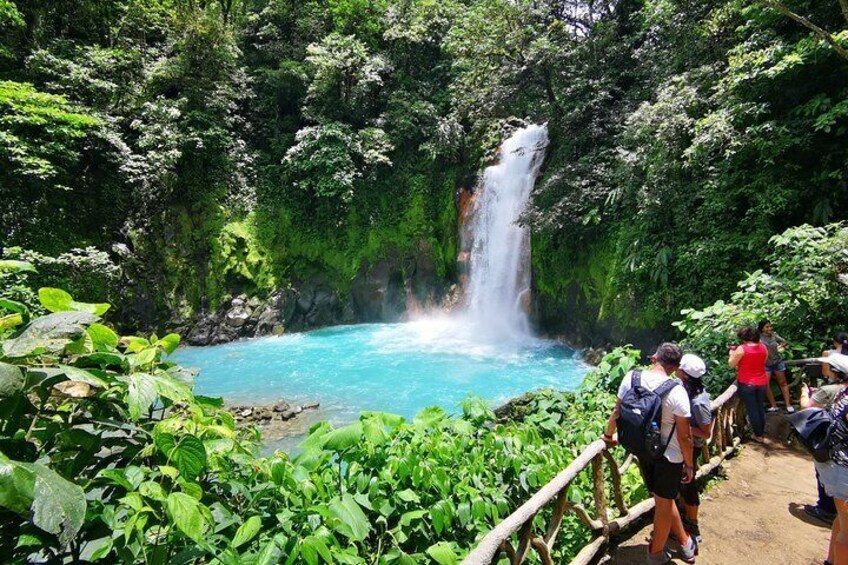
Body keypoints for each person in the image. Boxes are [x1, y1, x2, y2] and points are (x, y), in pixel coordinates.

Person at [603, 343, 697, 564]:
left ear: (655, 358)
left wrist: (608, 436)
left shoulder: (632, 377)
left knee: (662, 499)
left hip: (643, 450)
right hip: (669, 456)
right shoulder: (677, 391)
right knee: (664, 503)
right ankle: (655, 555)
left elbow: (617, 412)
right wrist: (690, 464)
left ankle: (684, 542)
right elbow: (685, 436)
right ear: (676, 367)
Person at [800, 353, 848, 526]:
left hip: (835, 453)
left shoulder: (834, 392)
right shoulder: (841, 392)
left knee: (827, 480)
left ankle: (826, 509)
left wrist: (805, 393)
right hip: (839, 452)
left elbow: (806, 406)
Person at [813, 354, 848, 565]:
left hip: (835, 464)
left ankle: (831, 561)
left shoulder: (841, 393)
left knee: (842, 521)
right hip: (843, 468)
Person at [675, 354, 712, 545]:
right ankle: (683, 514)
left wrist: (683, 427)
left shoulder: (698, 401)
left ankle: (692, 523)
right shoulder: (687, 389)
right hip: (684, 445)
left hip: (692, 446)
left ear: (686, 375)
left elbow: (706, 432)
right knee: (682, 483)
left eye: (679, 368)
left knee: (688, 484)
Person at [729, 325, 769, 442]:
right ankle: (761, 431)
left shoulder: (741, 349)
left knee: (752, 409)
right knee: (760, 407)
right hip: (762, 382)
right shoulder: (763, 347)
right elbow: (764, 361)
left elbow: (731, 364)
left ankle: (759, 435)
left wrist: (732, 353)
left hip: (747, 383)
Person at [759, 320, 794, 413]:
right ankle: (774, 406)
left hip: (777, 362)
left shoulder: (774, 335)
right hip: (766, 364)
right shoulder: (759, 338)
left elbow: (785, 342)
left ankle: (788, 405)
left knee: (783, 382)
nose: (769, 328)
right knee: (766, 384)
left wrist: (779, 347)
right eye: (767, 327)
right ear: (762, 329)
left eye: (770, 326)